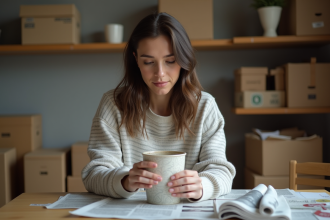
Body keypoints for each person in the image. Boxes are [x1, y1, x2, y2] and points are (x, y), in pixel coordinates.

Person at [82, 12, 236, 202]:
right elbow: (94, 173)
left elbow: (221, 171)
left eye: (170, 61)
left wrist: (202, 186)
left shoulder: (205, 106)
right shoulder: (113, 105)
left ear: (183, 59)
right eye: (148, 62)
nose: (160, 73)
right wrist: (125, 180)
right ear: (136, 59)